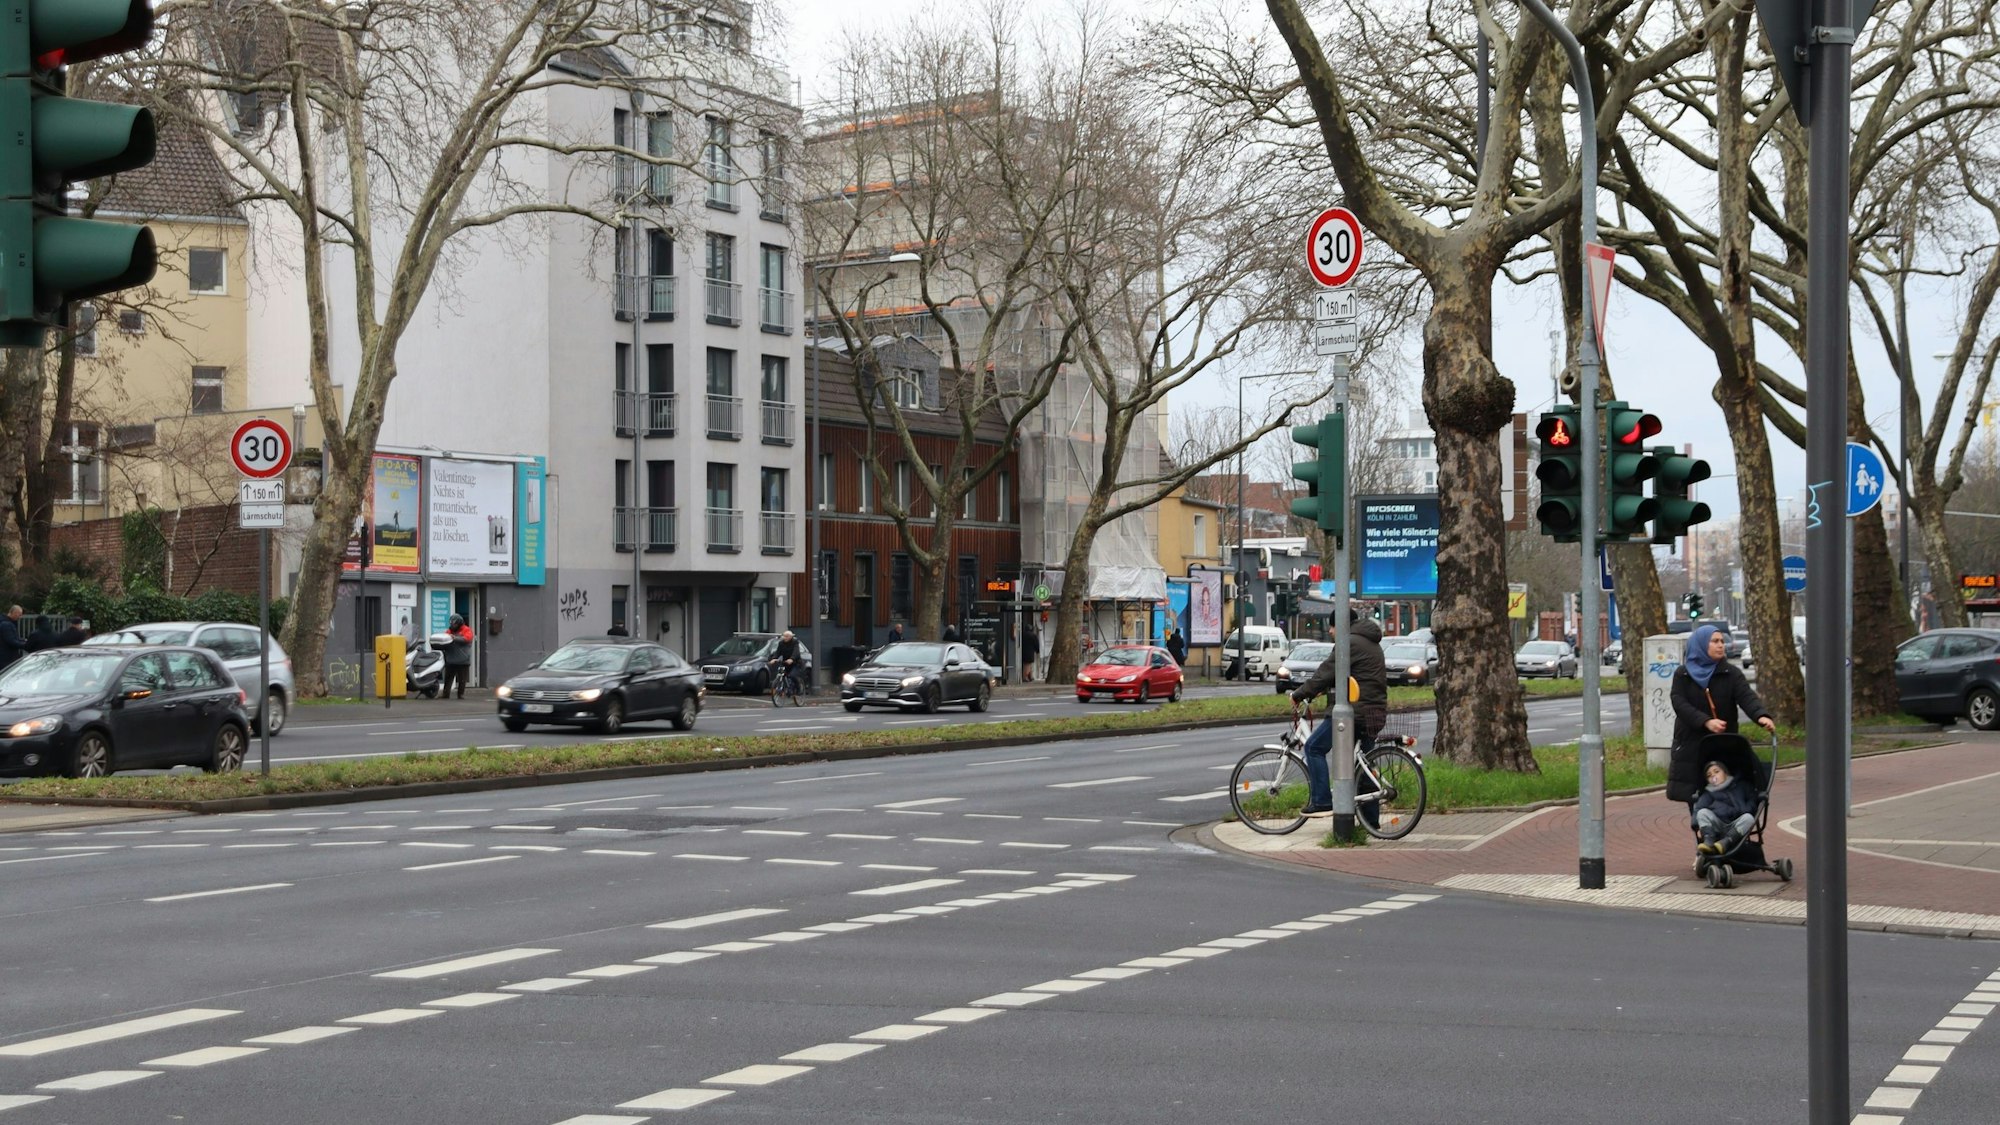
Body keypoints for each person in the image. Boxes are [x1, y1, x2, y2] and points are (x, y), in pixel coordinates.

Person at [1287, 609, 1389, 818]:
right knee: (1364, 765)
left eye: (1332, 626)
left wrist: (1299, 694)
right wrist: (1323, 690)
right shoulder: (1369, 641)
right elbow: (1350, 674)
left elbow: (1325, 672)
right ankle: (1372, 822)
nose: (1331, 631)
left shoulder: (1349, 643)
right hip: (1374, 710)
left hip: (1355, 713)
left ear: (1341, 625)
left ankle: (1322, 801)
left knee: (1314, 747)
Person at [1666, 623, 1776, 803]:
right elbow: (1679, 703)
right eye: (1715, 641)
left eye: (1722, 641)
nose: (1720, 645)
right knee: (1696, 796)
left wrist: (1761, 715)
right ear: (1701, 645)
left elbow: (1747, 697)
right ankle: (1704, 826)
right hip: (1691, 745)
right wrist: (1706, 722)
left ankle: (1726, 828)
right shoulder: (1683, 675)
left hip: (1723, 743)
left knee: (1727, 793)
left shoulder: (1731, 674)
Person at [1692, 759, 1759, 855]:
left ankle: (1725, 842)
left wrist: (1747, 809)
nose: (1713, 776)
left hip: (1736, 824)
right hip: (1717, 824)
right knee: (1702, 812)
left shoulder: (1740, 786)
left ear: (1725, 773)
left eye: (1716, 772)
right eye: (1709, 775)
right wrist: (1697, 827)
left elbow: (1752, 798)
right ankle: (1709, 841)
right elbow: (1698, 809)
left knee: (1749, 818)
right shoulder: (1709, 793)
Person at [440, 613, 474, 700]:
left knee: (462, 679)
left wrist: (454, 638)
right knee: (448, 678)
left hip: (463, 659)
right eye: (451, 623)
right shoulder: (449, 631)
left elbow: (467, 639)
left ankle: (461, 694)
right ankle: (445, 694)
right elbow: (445, 638)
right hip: (451, 659)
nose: (452, 625)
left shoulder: (466, 630)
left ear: (459, 623)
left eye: (454, 624)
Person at [768, 629, 803, 703]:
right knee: (781, 674)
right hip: (785, 663)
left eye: (787, 636)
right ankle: (783, 687)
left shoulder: (795, 642)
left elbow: (796, 652)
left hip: (795, 663)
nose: (785, 638)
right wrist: (774, 659)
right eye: (784, 636)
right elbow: (778, 652)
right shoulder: (781, 643)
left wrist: (792, 659)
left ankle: (799, 689)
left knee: (793, 676)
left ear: (790, 637)